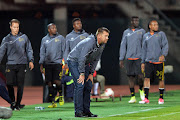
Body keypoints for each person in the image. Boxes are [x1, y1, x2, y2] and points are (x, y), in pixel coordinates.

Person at [67, 27, 110, 117]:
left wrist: (90, 74)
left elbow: (96, 59)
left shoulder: (102, 44)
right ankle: (78, 112)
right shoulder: (90, 42)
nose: (107, 38)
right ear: (99, 35)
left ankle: (86, 111)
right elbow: (82, 58)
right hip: (74, 61)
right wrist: (82, 74)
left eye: (107, 36)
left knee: (89, 85)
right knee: (79, 84)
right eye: (105, 36)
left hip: (84, 63)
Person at [0, 19, 34, 110]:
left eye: (17, 27)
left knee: (20, 85)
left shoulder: (24, 37)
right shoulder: (6, 39)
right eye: (14, 27)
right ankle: (12, 102)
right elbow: (1, 52)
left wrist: (31, 60)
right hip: (10, 64)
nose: (16, 29)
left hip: (22, 64)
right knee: (9, 84)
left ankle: (18, 104)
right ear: (10, 27)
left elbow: (29, 49)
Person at [139, 20, 168, 104]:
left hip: (159, 62)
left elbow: (165, 45)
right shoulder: (145, 36)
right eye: (154, 25)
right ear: (150, 26)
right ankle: (146, 98)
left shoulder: (161, 34)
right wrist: (143, 62)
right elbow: (143, 50)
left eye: (157, 25)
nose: (156, 26)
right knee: (146, 79)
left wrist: (163, 55)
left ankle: (161, 98)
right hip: (148, 61)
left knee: (160, 79)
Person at [119, 16, 146, 103]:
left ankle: (141, 91)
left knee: (140, 77)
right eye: (135, 21)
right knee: (130, 77)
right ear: (131, 22)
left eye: (137, 21)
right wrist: (121, 58)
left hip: (139, 58)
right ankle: (133, 96)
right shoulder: (126, 32)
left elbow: (145, 45)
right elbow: (123, 45)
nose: (136, 22)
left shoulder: (142, 31)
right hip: (129, 58)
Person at [39, 23, 66, 108]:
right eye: (53, 28)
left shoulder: (60, 38)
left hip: (57, 63)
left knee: (57, 81)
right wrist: (41, 64)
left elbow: (64, 50)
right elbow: (42, 52)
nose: (55, 29)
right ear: (49, 30)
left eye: (55, 27)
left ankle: (61, 95)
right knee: (49, 83)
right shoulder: (44, 39)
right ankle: (53, 102)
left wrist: (65, 62)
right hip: (47, 64)